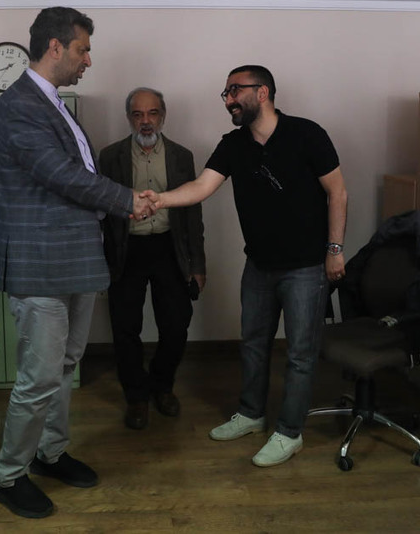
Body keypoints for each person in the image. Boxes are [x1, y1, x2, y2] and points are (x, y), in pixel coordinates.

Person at [0, 6, 154, 519]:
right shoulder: (19, 105)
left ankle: (50, 453)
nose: (88, 60)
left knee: (63, 367)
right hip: (39, 265)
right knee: (39, 376)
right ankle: (7, 475)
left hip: (75, 260)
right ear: (55, 46)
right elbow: (61, 174)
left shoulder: (53, 104)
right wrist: (127, 199)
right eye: (83, 49)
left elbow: (74, 175)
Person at [144, 64, 348, 468]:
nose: (229, 100)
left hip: (306, 267)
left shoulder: (307, 134)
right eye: (226, 93)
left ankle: (289, 432)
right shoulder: (233, 145)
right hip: (258, 266)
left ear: (263, 92)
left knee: (300, 353)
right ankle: (252, 414)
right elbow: (202, 186)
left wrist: (335, 249)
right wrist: (159, 200)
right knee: (253, 344)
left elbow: (337, 192)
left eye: (235, 91)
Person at [99, 87, 206, 430]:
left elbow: (192, 212)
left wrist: (197, 264)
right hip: (126, 251)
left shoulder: (181, 156)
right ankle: (136, 396)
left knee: (175, 325)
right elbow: (102, 212)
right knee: (125, 327)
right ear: (129, 118)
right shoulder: (110, 156)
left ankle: (162, 386)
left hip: (168, 249)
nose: (145, 121)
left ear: (163, 115)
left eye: (152, 113)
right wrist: (101, 263)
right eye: (138, 114)